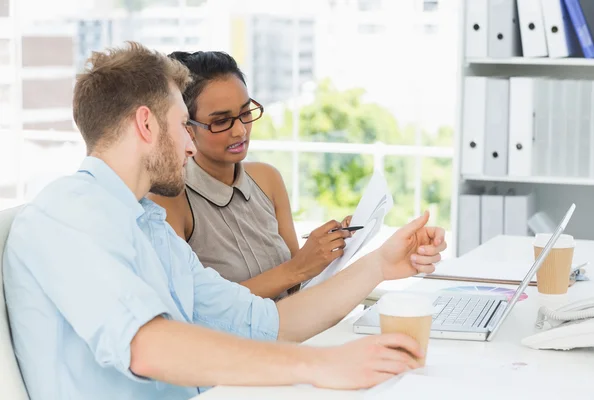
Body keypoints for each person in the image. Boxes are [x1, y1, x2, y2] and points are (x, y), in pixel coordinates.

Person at [3, 42, 447, 400]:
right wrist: (320, 366)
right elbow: (147, 347)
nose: (191, 146)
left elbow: (271, 324)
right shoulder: (68, 215)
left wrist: (381, 266)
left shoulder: (148, 226)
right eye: (183, 126)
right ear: (145, 124)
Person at [148, 50, 352, 299]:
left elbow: (297, 286)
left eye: (245, 113)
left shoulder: (267, 179)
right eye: (222, 121)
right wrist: (296, 269)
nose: (240, 131)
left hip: (292, 330)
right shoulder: (169, 201)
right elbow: (195, 306)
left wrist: (328, 251)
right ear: (187, 127)